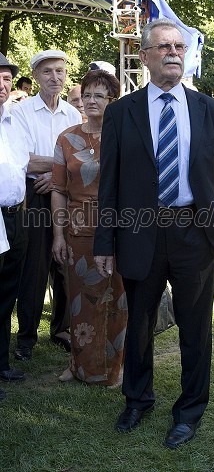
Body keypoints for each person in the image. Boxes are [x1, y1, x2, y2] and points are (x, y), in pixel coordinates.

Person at [93, 18, 214, 449]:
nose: (173, 52)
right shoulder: (121, 112)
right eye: (164, 46)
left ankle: (189, 411)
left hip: (194, 233)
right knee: (140, 324)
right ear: (144, 56)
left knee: (195, 327)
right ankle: (137, 400)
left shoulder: (209, 109)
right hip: (140, 233)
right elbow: (110, 183)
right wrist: (104, 241)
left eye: (178, 46)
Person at [51, 70, 127, 386]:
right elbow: (58, 188)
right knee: (80, 300)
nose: (91, 100)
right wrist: (58, 234)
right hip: (78, 231)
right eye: (87, 94)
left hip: (118, 229)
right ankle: (79, 365)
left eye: (99, 95)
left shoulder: (125, 136)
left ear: (112, 101)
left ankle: (113, 369)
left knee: (116, 300)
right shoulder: (67, 138)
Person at [11, 50, 82, 361]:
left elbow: (82, 158)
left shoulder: (73, 114)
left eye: (60, 71)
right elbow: (23, 159)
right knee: (35, 270)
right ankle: (26, 337)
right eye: (48, 72)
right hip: (35, 195)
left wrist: (55, 174)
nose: (55, 77)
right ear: (36, 76)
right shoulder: (22, 112)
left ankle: (62, 329)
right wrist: (60, 170)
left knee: (67, 266)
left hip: (67, 194)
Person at [0, 53, 30, 401]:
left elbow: (27, 164)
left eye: (7, 79)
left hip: (16, 216)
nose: (2, 85)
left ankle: (1, 363)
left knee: (7, 294)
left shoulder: (14, 120)